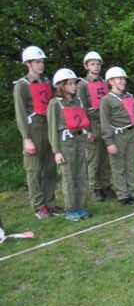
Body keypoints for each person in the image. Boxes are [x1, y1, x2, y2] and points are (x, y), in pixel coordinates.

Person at [13, 46, 63, 219]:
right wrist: (26, 138)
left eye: (42, 62)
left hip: (48, 125)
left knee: (50, 168)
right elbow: (20, 113)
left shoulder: (47, 82)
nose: (41, 65)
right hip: (33, 127)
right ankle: (39, 205)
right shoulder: (22, 85)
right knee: (34, 169)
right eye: (37, 62)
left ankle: (50, 202)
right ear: (28, 63)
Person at [48, 69, 91, 221]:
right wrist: (56, 151)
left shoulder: (78, 101)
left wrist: (85, 145)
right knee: (69, 177)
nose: (74, 87)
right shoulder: (55, 103)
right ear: (62, 86)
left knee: (80, 175)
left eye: (75, 83)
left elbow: (83, 124)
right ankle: (71, 209)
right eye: (70, 84)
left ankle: (81, 206)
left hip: (79, 140)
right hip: (65, 143)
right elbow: (52, 128)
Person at [100, 67, 134, 205]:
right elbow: (105, 122)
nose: (123, 81)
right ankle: (122, 195)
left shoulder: (129, 96)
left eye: (123, 78)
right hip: (117, 136)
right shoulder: (106, 100)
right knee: (118, 166)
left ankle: (133, 192)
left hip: (131, 134)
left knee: (130, 165)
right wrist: (109, 142)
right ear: (111, 81)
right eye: (119, 78)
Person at [76, 51, 116, 201]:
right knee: (94, 158)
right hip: (92, 124)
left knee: (106, 158)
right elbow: (81, 108)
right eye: (93, 64)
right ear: (86, 66)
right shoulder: (82, 85)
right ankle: (96, 188)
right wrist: (87, 129)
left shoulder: (105, 83)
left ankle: (106, 185)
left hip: (106, 123)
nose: (96, 66)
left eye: (98, 64)